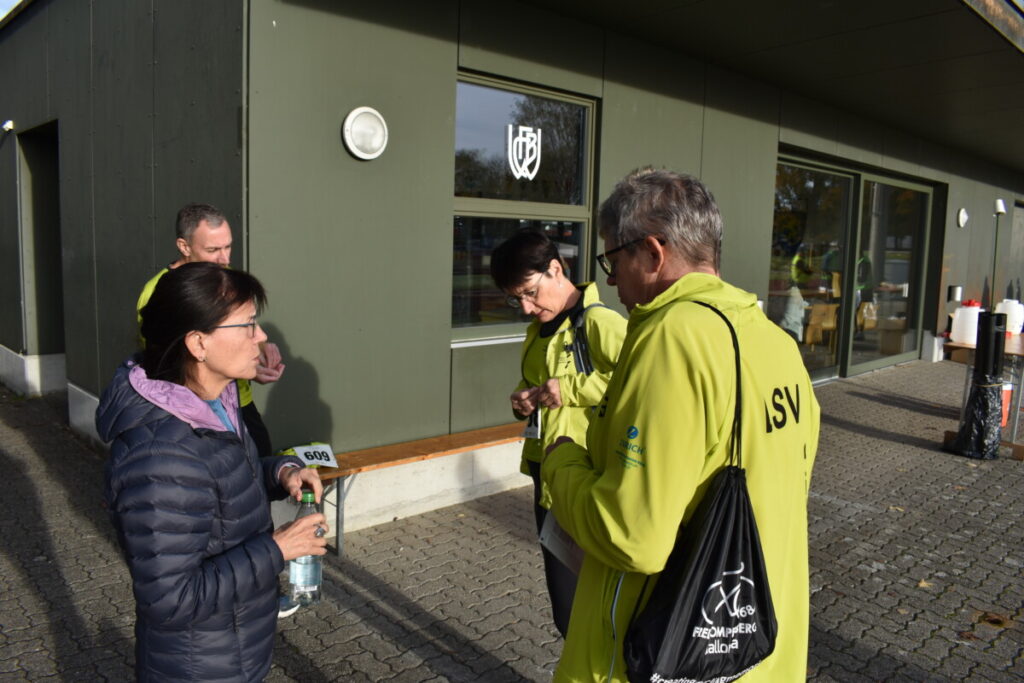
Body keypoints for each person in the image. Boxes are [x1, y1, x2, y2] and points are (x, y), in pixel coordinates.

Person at [541, 169, 820, 682]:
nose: (608, 279)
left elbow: (633, 537)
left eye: (613, 258)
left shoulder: (671, 339)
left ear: (652, 252)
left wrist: (559, 460)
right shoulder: (778, 345)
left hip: (654, 657)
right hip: (759, 653)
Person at [97, 262, 328, 682]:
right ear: (198, 344)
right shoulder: (159, 456)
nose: (261, 337)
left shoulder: (214, 405)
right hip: (198, 666)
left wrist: (282, 473)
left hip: (234, 646)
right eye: (248, 325)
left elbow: (222, 482)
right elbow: (169, 600)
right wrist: (278, 549)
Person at [489, 231, 626, 639]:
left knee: (587, 611)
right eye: (518, 300)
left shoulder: (599, 322)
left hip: (589, 481)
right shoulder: (541, 330)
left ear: (556, 269)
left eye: (531, 293)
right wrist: (523, 399)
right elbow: (538, 382)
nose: (528, 308)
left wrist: (570, 388)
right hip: (546, 480)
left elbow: (639, 383)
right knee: (566, 610)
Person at [135, 203, 284, 459]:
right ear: (184, 246)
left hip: (240, 403)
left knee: (259, 471)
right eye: (213, 249)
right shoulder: (157, 294)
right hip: (195, 411)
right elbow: (163, 368)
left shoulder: (226, 278)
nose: (225, 259)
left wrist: (260, 351)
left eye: (228, 246)